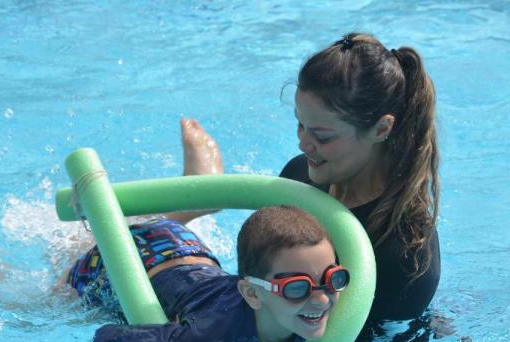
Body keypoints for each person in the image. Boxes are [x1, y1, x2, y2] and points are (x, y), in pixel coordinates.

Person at [182, 33, 440, 324]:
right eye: (300, 125)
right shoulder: (300, 176)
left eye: (322, 136)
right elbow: (252, 280)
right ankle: (197, 201)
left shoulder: (404, 255)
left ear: (381, 129)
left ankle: (197, 197)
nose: (304, 144)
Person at [60, 205, 350, 342]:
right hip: (125, 263)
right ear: (252, 294)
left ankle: (188, 204)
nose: (322, 300)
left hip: (183, 244)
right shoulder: (211, 337)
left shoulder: (330, 312)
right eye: (297, 288)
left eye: (332, 279)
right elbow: (109, 336)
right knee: (53, 299)